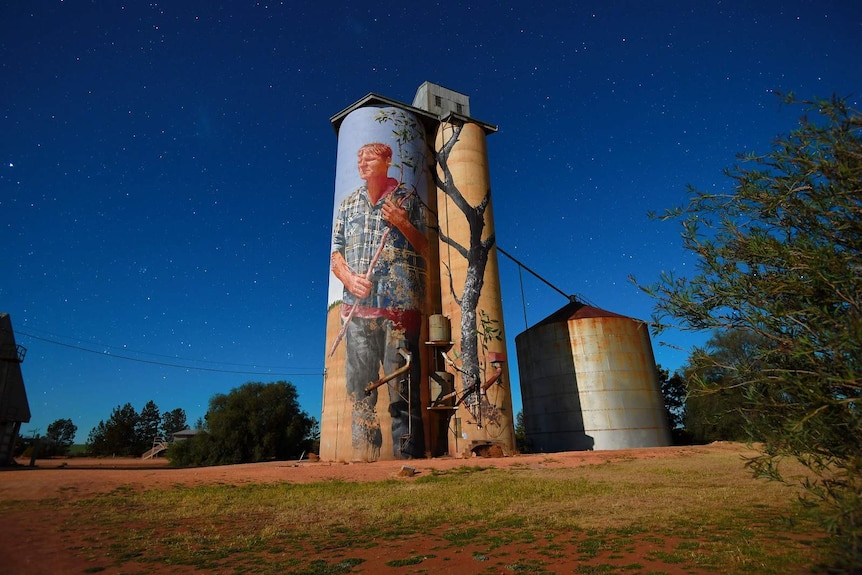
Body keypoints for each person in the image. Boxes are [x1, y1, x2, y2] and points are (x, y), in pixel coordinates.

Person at [331, 142, 427, 460]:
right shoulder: (346, 205)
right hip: (357, 314)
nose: (362, 163)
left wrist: (402, 222)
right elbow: (336, 254)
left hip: (399, 311)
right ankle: (365, 460)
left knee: (402, 389)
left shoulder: (407, 200)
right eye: (358, 158)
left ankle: (407, 458)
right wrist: (348, 278)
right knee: (360, 391)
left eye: (369, 158)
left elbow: (430, 248)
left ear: (387, 161)